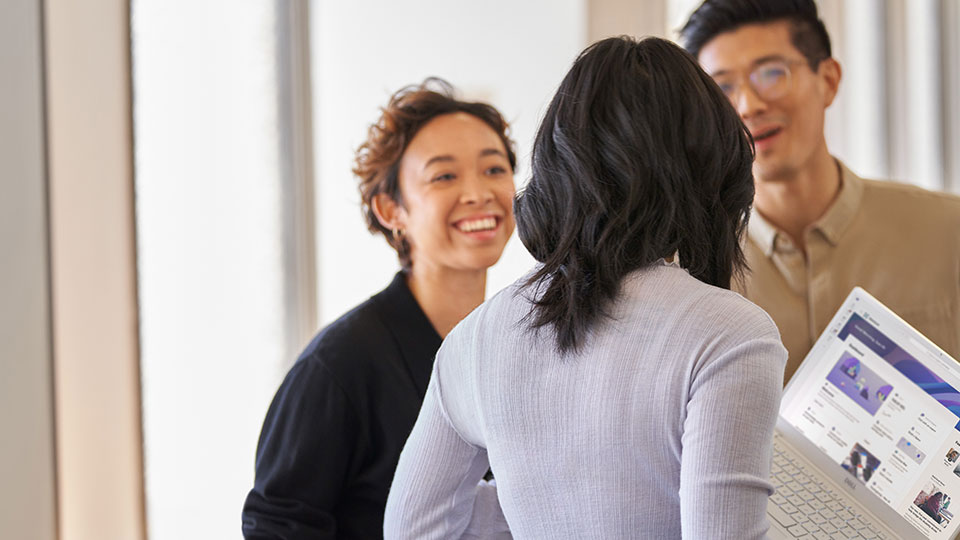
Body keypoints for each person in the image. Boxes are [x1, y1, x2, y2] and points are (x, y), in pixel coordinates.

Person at [383, 36, 787, 539]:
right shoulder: (730, 333)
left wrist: (543, 501)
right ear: (711, 166)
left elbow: (412, 528)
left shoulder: (475, 338)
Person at [241, 78, 517, 539]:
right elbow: (277, 526)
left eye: (494, 169)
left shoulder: (515, 344)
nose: (478, 193)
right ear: (391, 210)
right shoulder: (340, 363)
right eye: (444, 176)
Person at [681, 0, 960, 383]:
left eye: (771, 73)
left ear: (828, 79)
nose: (748, 106)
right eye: (722, 87)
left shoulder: (948, 231)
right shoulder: (693, 270)